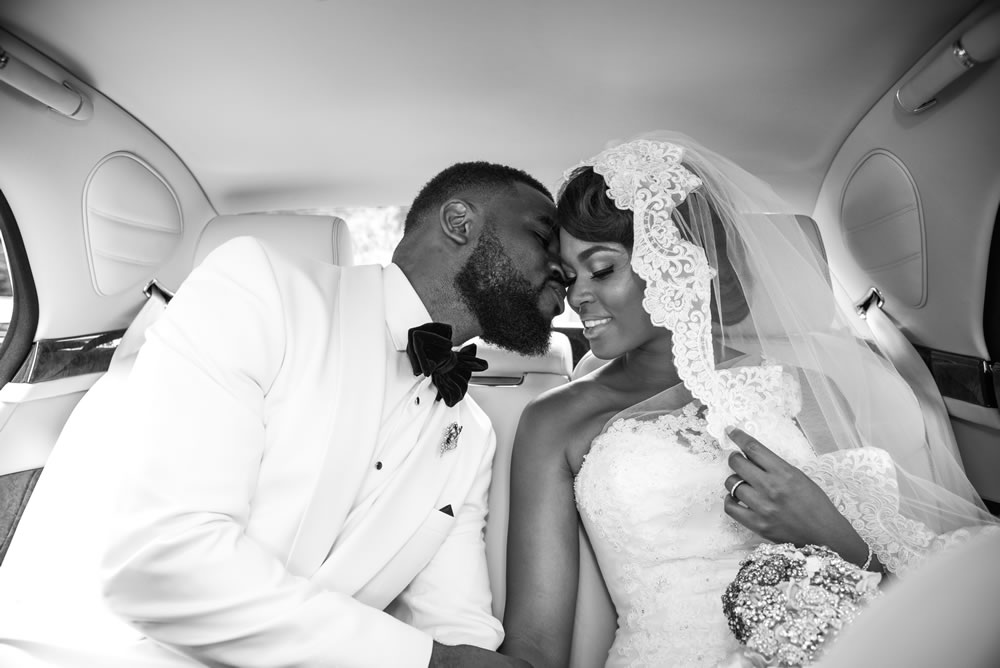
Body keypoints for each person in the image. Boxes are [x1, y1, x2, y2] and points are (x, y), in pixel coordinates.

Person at [0, 161, 566, 667]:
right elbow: (164, 567)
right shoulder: (260, 289)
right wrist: (430, 663)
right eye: (543, 237)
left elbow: (454, 622)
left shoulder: (471, 435)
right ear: (460, 222)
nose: (563, 270)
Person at [499, 135, 999, 667]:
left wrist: (829, 531)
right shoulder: (555, 419)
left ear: (680, 262)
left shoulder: (804, 390)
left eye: (601, 270)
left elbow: (900, 590)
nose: (576, 297)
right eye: (569, 277)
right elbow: (534, 650)